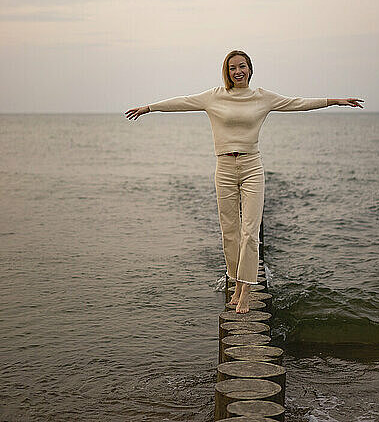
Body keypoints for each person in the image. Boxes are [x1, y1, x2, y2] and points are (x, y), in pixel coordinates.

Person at [124, 50, 364, 313]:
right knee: (230, 231)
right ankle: (236, 283)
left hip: (252, 166)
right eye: (232, 68)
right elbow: (182, 102)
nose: (237, 71)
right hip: (224, 167)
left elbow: (298, 103)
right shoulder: (213, 96)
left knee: (250, 232)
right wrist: (149, 108)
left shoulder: (263, 97)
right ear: (226, 72)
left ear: (250, 69)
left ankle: (246, 291)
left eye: (242, 66)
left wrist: (335, 101)